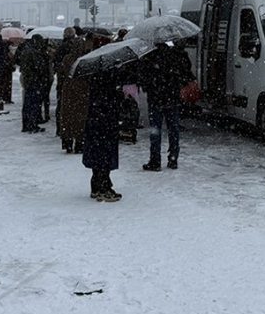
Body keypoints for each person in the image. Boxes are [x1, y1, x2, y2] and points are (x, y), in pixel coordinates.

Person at [137, 40, 195, 171]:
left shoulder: (149, 56)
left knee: (155, 130)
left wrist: (149, 87)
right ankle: (173, 157)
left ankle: (155, 160)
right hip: (172, 97)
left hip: (156, 98)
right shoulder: (176, 55)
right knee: (173, 129)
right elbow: (186, 72)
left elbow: (142, 76)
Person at [82, 67, 134, 202]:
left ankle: (97, 185)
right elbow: (108, 101)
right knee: (105, 153)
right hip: (106, 122)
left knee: (98, 153)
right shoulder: (108, 79)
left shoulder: (94, 76)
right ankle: (104, 186)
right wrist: (120, 97)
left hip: (96, 121)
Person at [17, 34, 50, 133]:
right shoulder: (33, 52)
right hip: (33, 81)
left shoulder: (29, 51)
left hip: (30, 81)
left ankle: (28, 124)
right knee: (32, 104)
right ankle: (31, 124)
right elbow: (37, 67)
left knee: (29, 103)